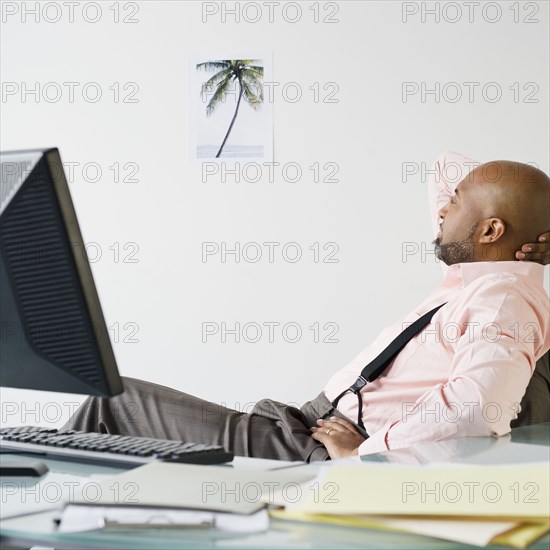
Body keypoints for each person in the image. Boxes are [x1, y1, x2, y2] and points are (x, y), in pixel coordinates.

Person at [64, 152, 550, 462]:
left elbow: (477, 408)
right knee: (108, 427)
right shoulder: (475, 276)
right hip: (306, 423)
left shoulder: (504, 298)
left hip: (315, 449)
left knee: (112, 402)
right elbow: (446, 171)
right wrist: (514, 220)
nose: (442, 208)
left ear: (490, 231)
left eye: (456, 203)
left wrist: (367, 453)